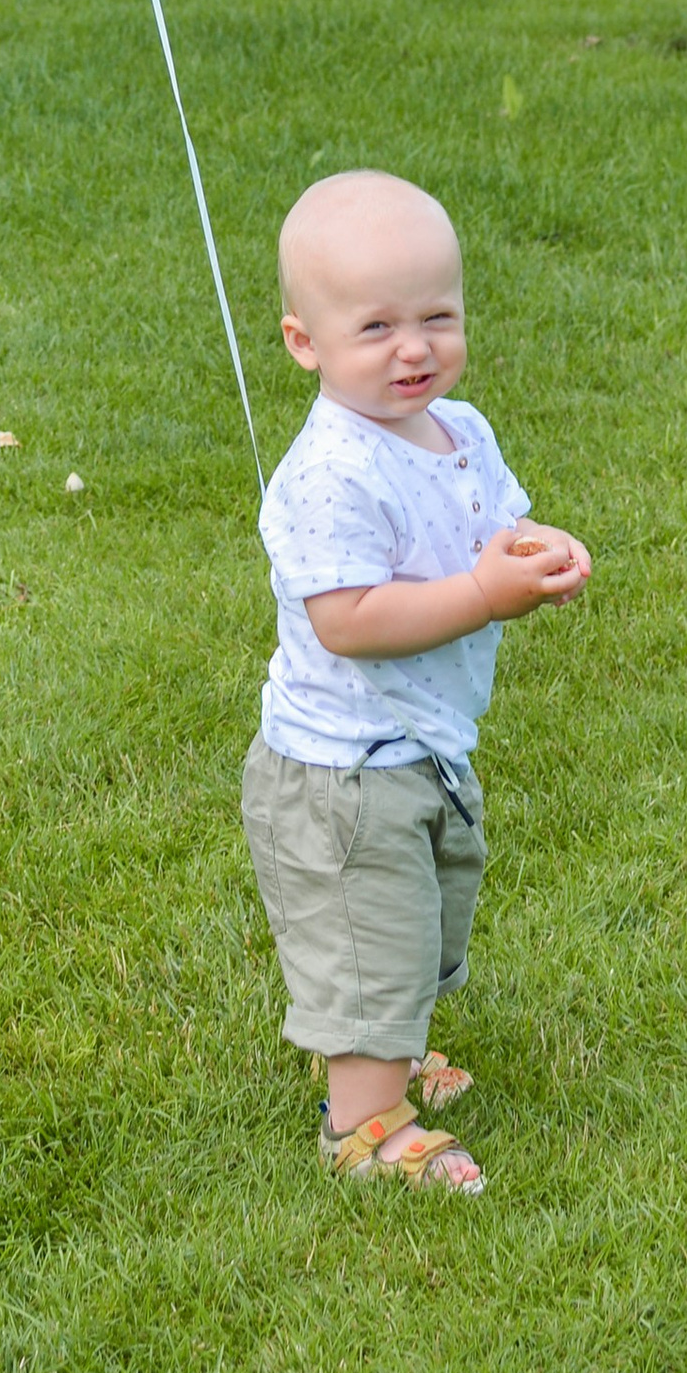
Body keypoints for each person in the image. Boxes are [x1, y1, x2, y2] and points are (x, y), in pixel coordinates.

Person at [241, 167, 592, 1193]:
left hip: (423, 747)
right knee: (368, 928)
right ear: (305, 342)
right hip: (341, 773)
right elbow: (347, 622)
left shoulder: (462, 428)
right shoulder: (327, 475)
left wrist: (534, 548)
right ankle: (361, 1125)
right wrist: (485, 596)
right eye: (377, 327)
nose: (414, 348)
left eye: (437, 316)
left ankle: (386, 1043)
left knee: (423, 916)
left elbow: (496, 527)